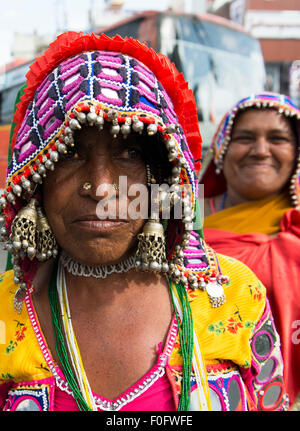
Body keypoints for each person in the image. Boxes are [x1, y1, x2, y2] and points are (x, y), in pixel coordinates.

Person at [0, 33, 287, 412]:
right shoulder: (7, 309)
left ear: (164, 176)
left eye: (129, 152)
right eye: (69, 153)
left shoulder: (233, 295)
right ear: (37, 179)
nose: (101, 187)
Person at [201, 91, 300, 407]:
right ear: (221, 149)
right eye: (244, 138)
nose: (260, 151)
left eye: (277, 139)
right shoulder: (178, 217)